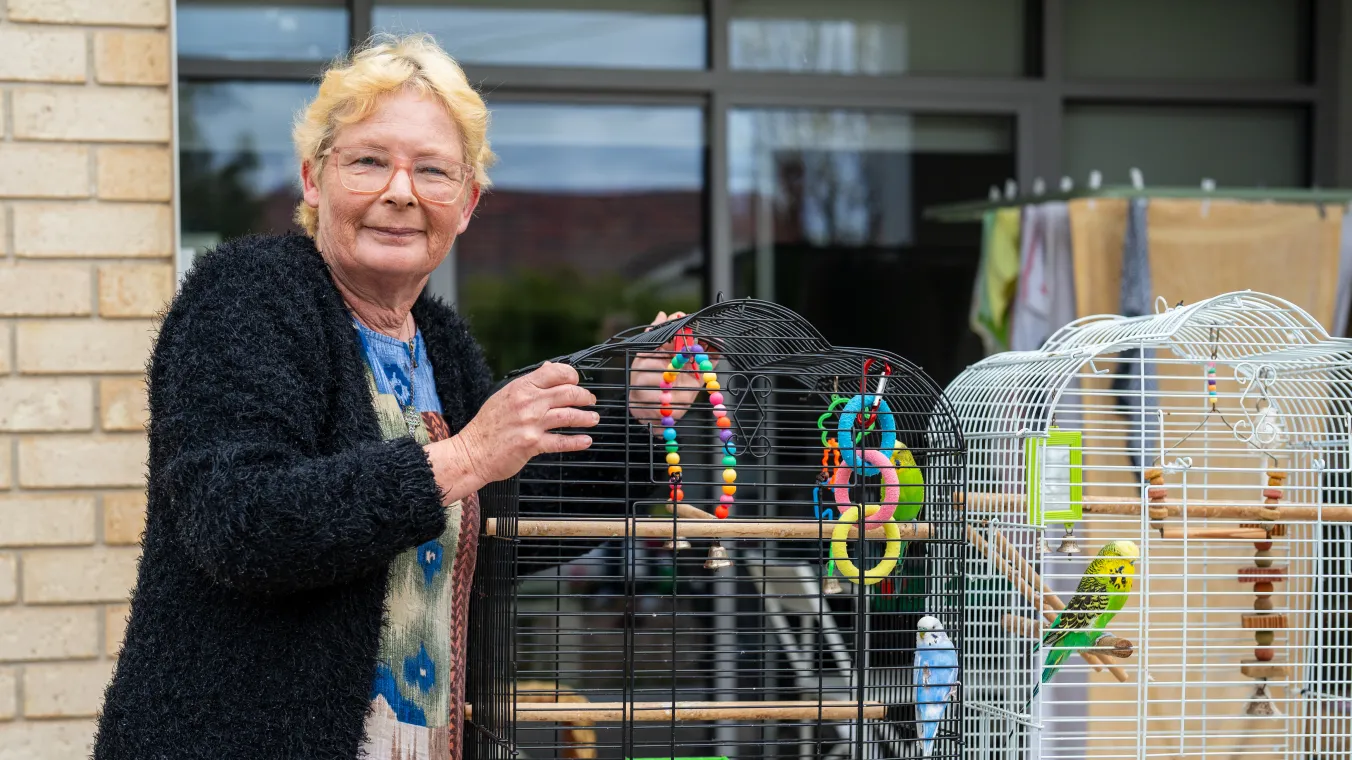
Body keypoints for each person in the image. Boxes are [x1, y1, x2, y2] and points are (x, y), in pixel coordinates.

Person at [93, 33, 703, 760]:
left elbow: (496, 533)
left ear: (468, 203)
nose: (401, 192)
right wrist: (467, 454)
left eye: (434, 171)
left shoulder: (439, 344)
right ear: (313, 180)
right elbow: (240, 521)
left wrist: (640, 420)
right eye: (369, 161)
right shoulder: (250, 297)